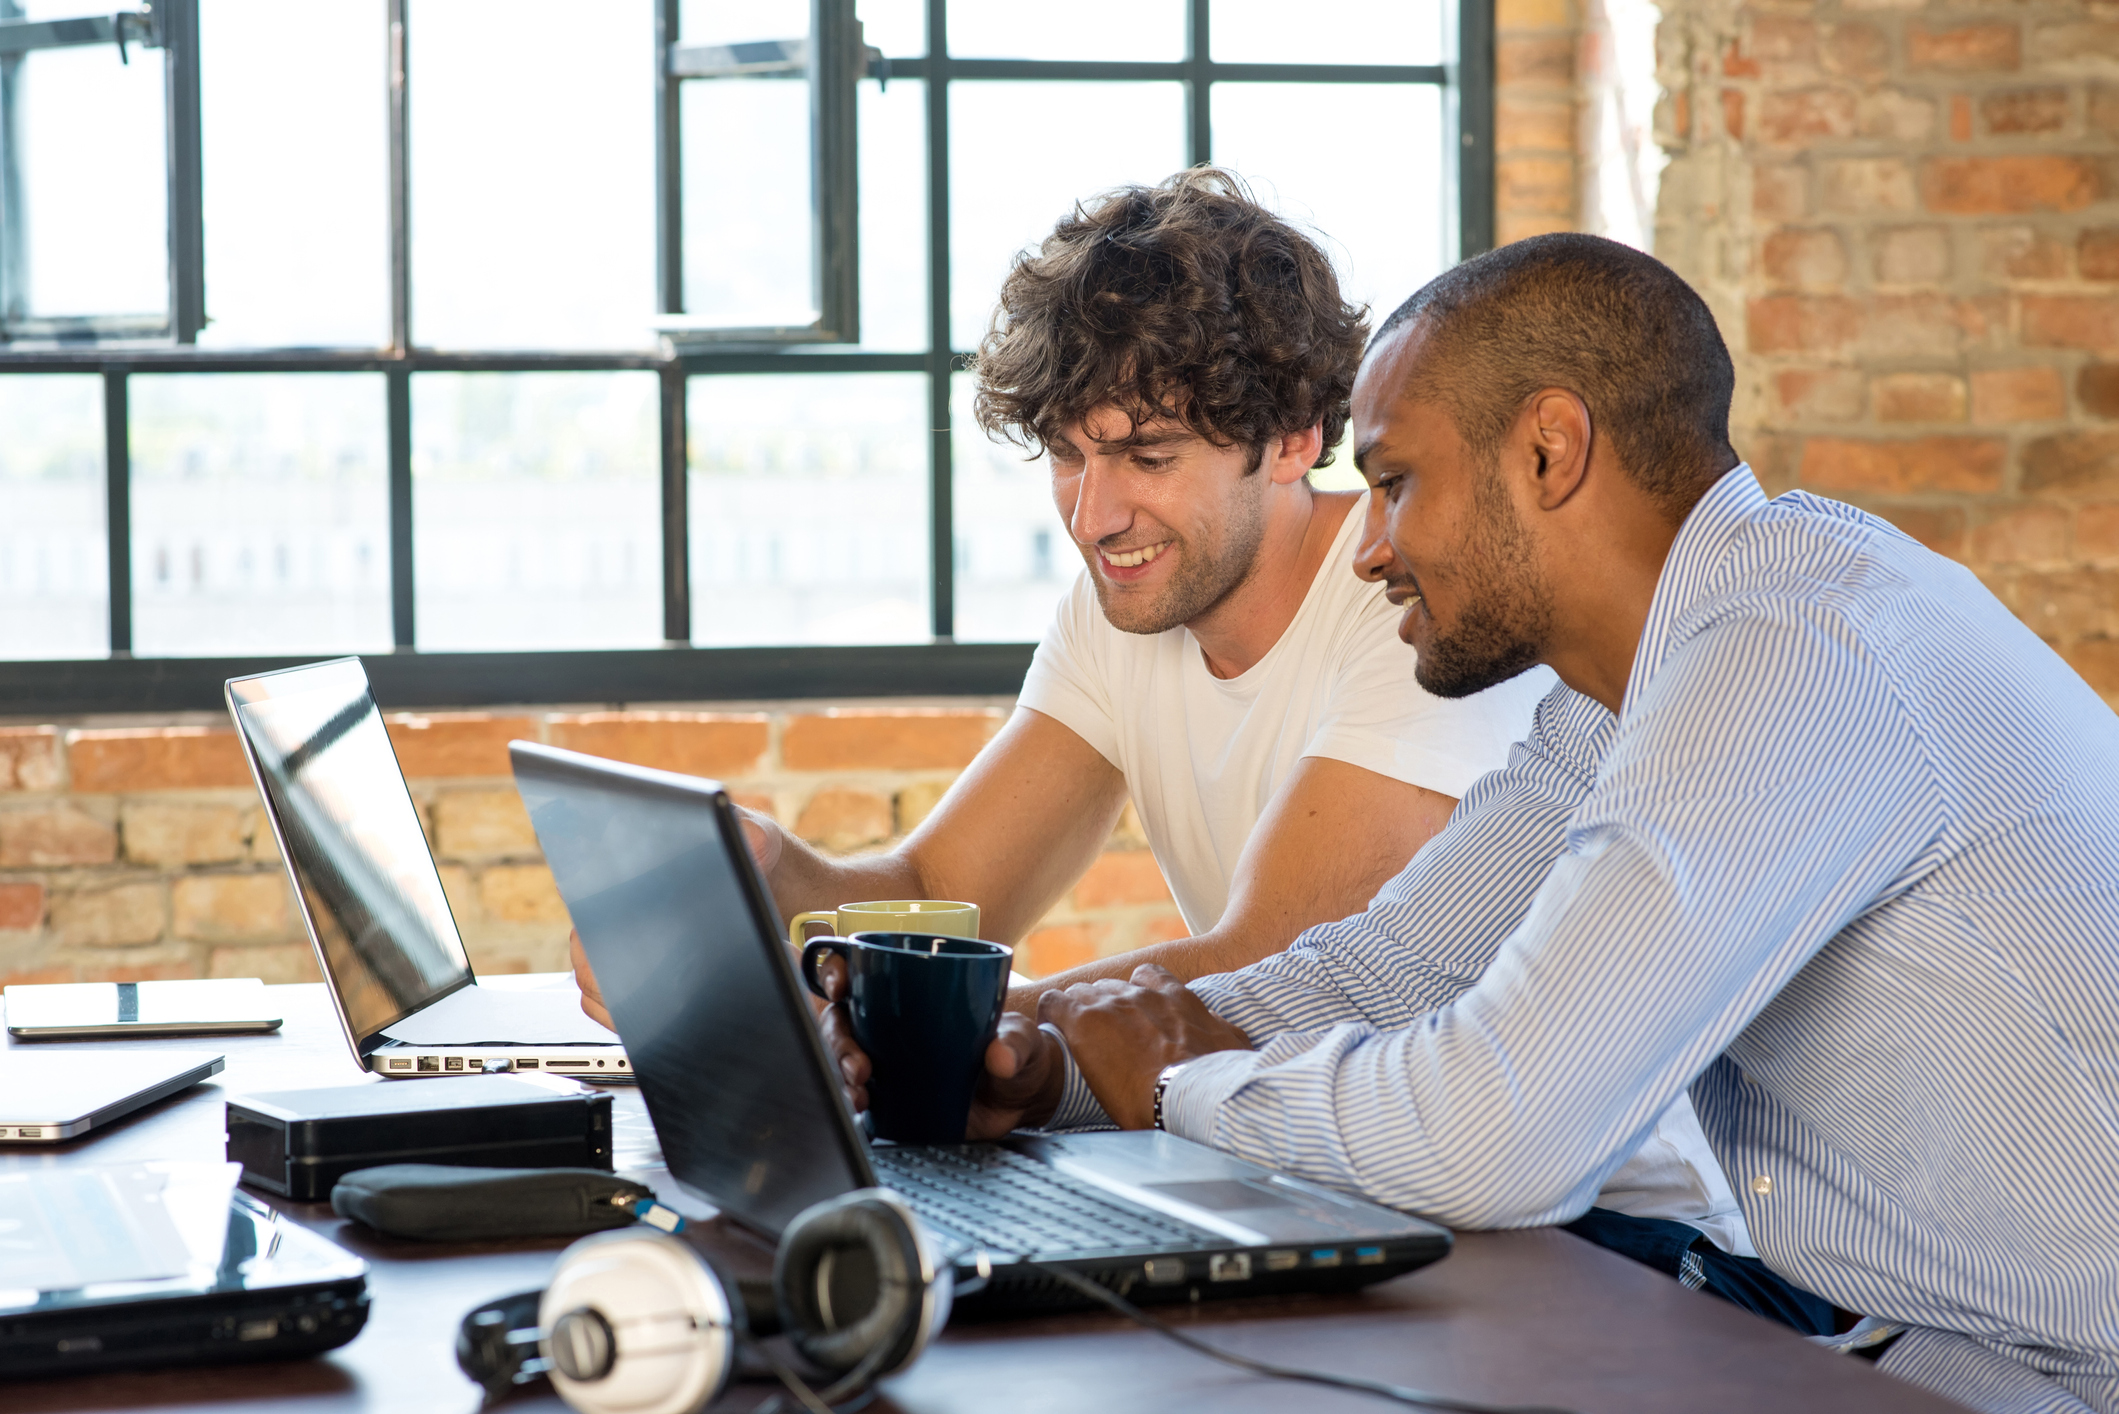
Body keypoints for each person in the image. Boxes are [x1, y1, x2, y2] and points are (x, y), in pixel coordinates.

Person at [921, 233, 2119, 1413]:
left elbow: (1496, 1137)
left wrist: (1179, 1073)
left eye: (1395, 483)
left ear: (1547, 451)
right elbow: (1391, 969)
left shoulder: (1793, 654)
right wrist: (1057, 1071)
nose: (1372, 546)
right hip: (1890, 1342)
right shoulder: (1628, 690)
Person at [578, 175, 1752, 1263]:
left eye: (1144, 454)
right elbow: (943, 882)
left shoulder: (1427, 606)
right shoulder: (1123, 609)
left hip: (1584, 1228)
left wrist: (926, 1027)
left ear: (1297, 437)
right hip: (1300, 1167)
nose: (1095, 516)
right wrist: (770, 896)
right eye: (1066, 458)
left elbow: (1269, 966)